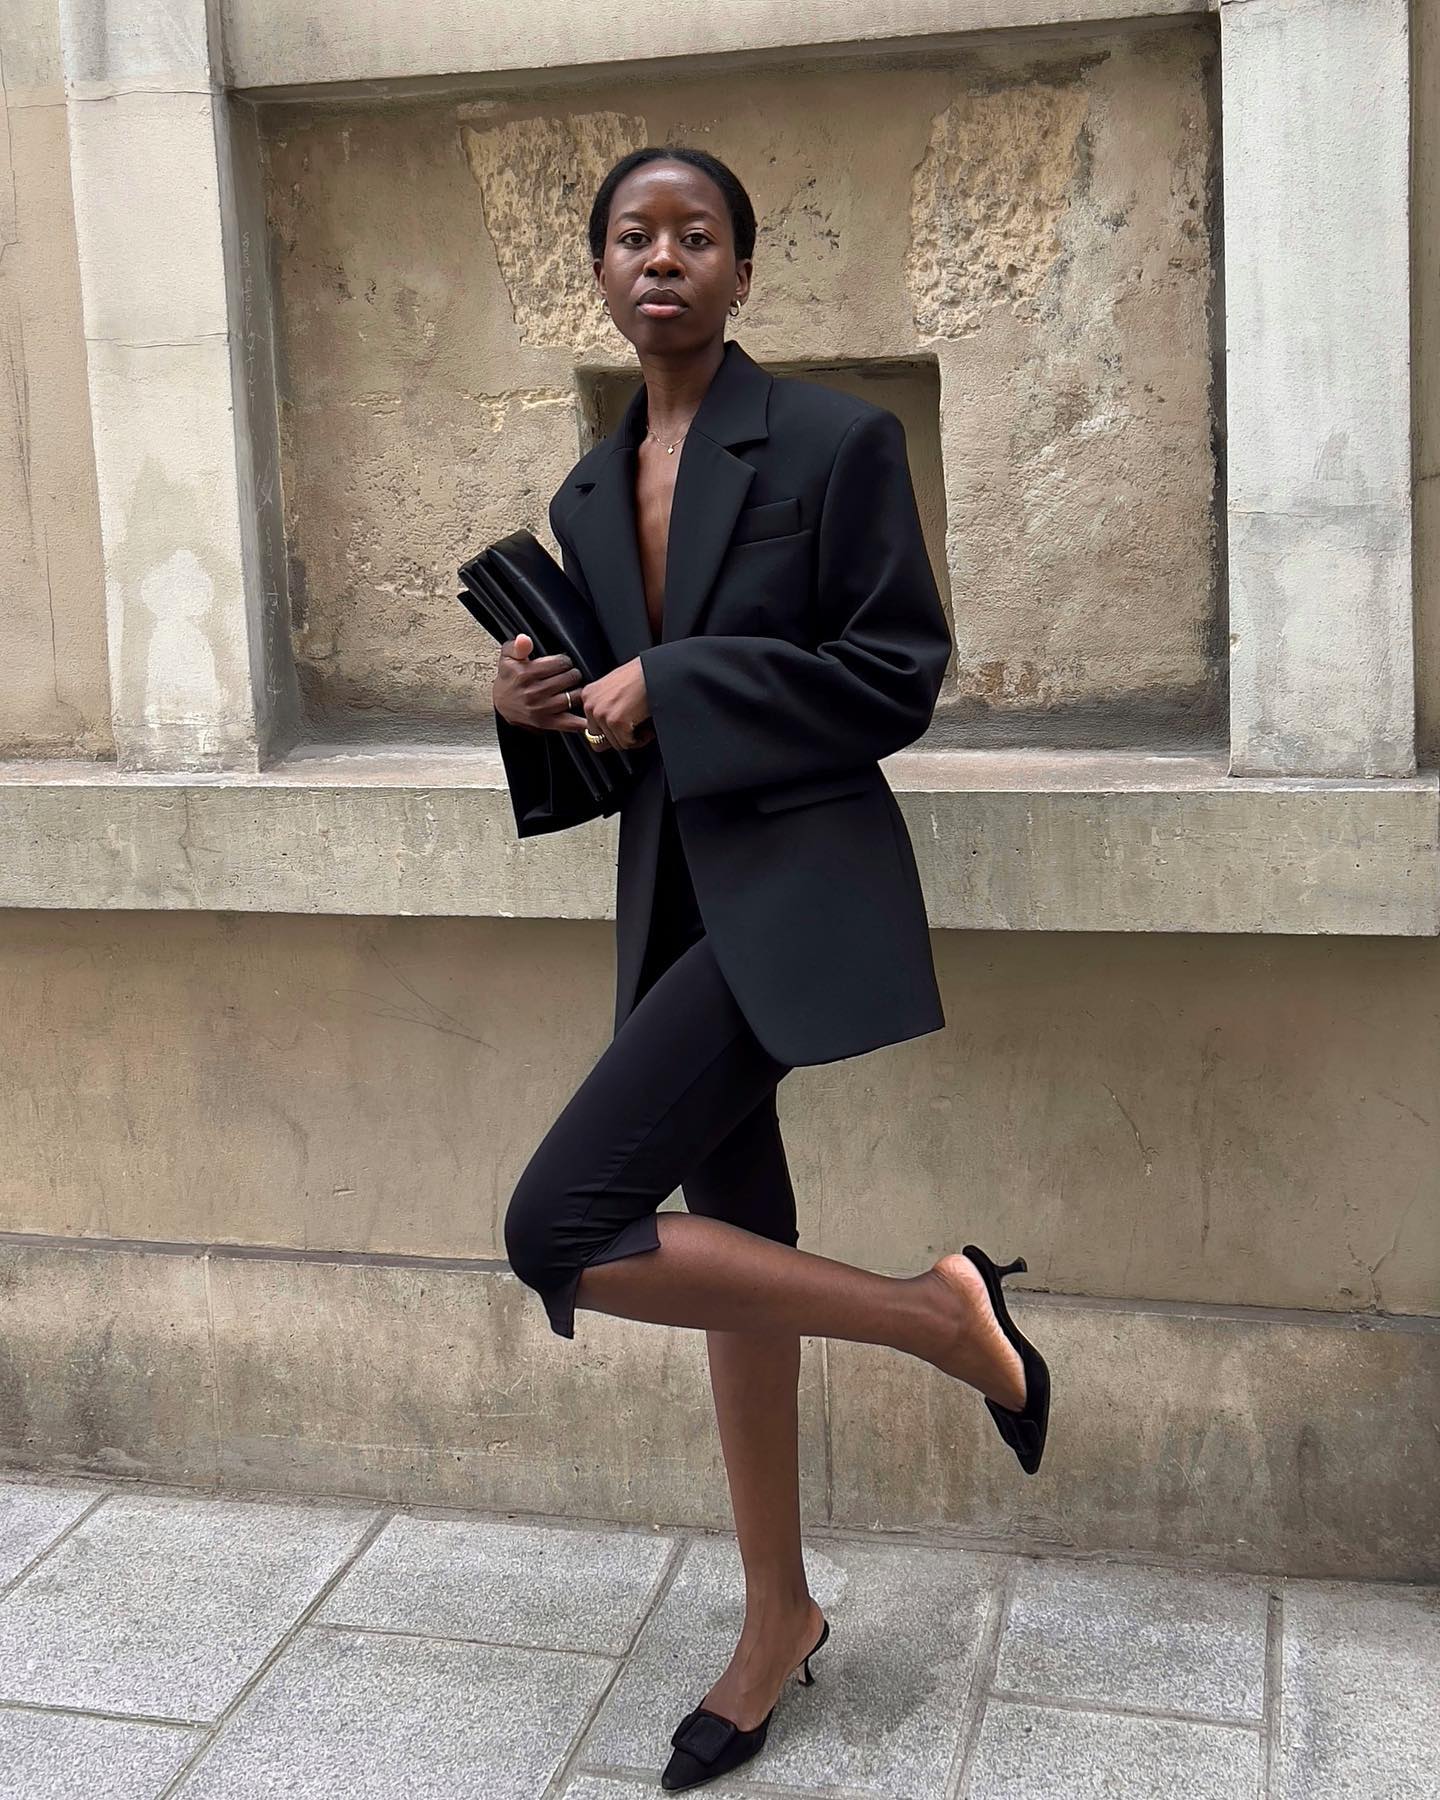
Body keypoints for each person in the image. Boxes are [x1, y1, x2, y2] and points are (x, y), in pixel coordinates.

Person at [490, 145, 1051, 1794]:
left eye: (697, 235)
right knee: (734, 1251)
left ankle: (945, 1319)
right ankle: (779, 1614)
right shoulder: (588, 498)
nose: (662, 259)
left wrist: (684, 679)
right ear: (595, 272)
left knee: (562, 1229)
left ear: (741, 269)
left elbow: (896, 676)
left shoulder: (832, 440)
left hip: (793, 896)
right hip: (672, 904)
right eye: (630, 237)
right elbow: (614, 751)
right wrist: (538, 718)